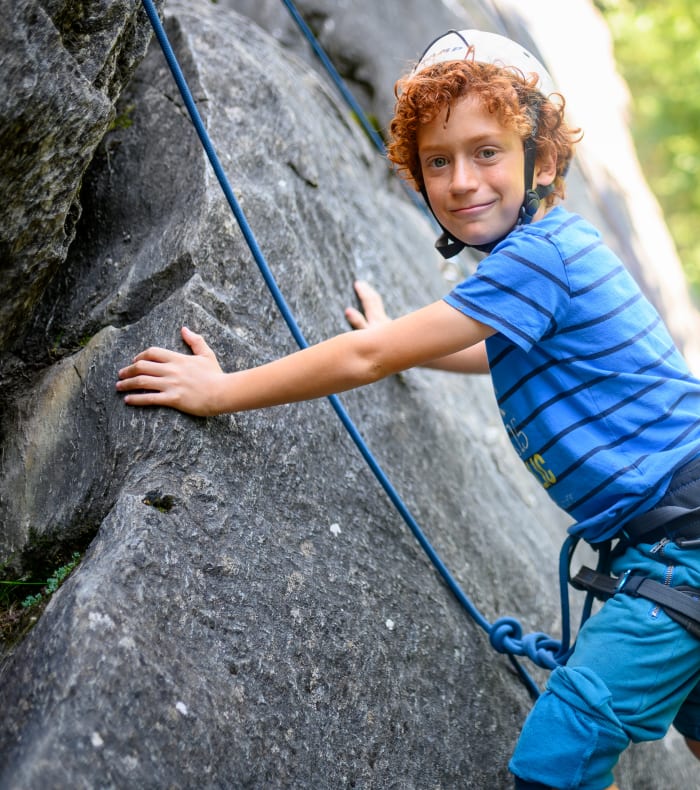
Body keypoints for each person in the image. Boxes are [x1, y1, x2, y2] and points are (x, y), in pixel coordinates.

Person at [116, 29, 700, 790]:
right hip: (672, 541)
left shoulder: (541, 257)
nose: (462, 180)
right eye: (437, 161)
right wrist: (406, 339)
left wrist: (222, 389)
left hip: (681, 548)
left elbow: (366, 359)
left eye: (487, 151)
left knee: (558, 754)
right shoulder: (543, 260)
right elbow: (492, 349)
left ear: (543, 161)